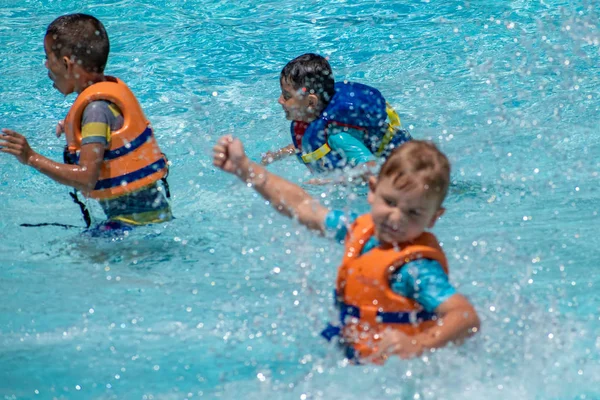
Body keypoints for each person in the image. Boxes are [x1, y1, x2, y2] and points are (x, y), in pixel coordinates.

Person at [214, 135, 479, 364]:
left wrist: (418, 344)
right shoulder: (359, 231)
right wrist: (245, 168)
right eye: (389, 202)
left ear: (434, 218)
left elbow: (465, 316)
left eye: (414, 213)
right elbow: (303, 207)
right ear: (372, 191)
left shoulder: (415, 268)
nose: (396, 218)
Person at [0, 14, 172, 233]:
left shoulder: (95, 110)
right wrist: (74, 126)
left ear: (66, 64)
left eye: (47, 57)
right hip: (152, 217)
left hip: (133, 225)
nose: (45, 65)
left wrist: (31, 157)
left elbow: (86, 179)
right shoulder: (103, 102)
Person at [261, 53, 412, 177]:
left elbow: (371, 167)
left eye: (287, 96)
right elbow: (310, 142)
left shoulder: (338, 136)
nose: (280, 100)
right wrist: (278, 154)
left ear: (311, 103)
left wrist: (333, 182)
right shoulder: (316, 119)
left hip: (404, 168)